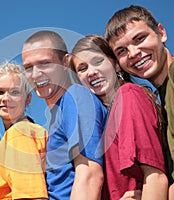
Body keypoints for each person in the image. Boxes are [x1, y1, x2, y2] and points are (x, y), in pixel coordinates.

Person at [105, 5, 174, 199]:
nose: (133, 53)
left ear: (161, 33)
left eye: (140, 39)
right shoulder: (159, 105)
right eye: (121, 50)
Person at [68, 34, 168, 200]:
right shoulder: (104, 120)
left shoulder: (128, 95)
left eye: (98, 61)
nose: (91, 72)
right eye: (82, 68)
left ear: (115, 64)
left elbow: (155, 177)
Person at [21, 30, 107, 200]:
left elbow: (90, 175)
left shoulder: (75, 96)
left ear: (66, 62)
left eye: (45, 63)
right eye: (29, 67)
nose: (36, 74)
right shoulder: (58, 114)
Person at [0, 62, 48, 200]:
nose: (6, 98)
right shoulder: (24, 133)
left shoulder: (19, 133)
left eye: (14, 92)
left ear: (28, 98)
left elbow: (31, 197)